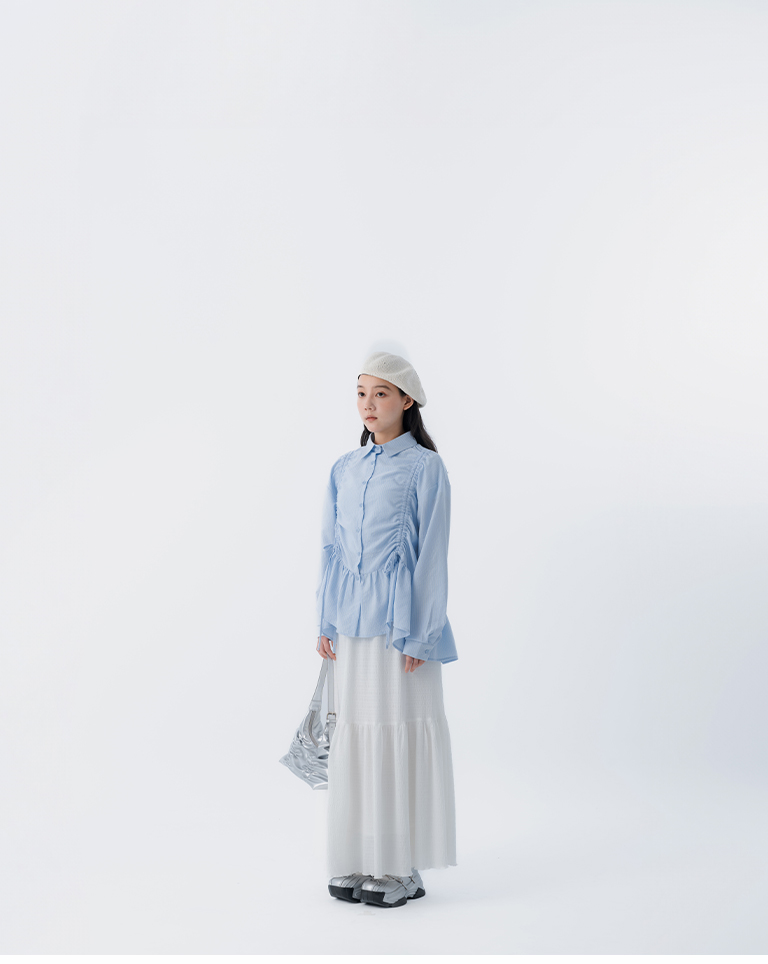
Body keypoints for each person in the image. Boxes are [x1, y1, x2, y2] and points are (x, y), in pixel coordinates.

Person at [316, 350, 457, 909]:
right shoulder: (343, 469)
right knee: (358, 735)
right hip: (351, 625)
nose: (368, 404)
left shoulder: (425, 467)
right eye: (361, 393)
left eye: (380, 393)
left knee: (395, 733)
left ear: (407, 401)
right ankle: (358, 857)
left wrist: (422, 633)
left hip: (402, 629)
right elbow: (329, 548)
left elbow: (433, 554)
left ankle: (400, 867)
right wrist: (325, 619)